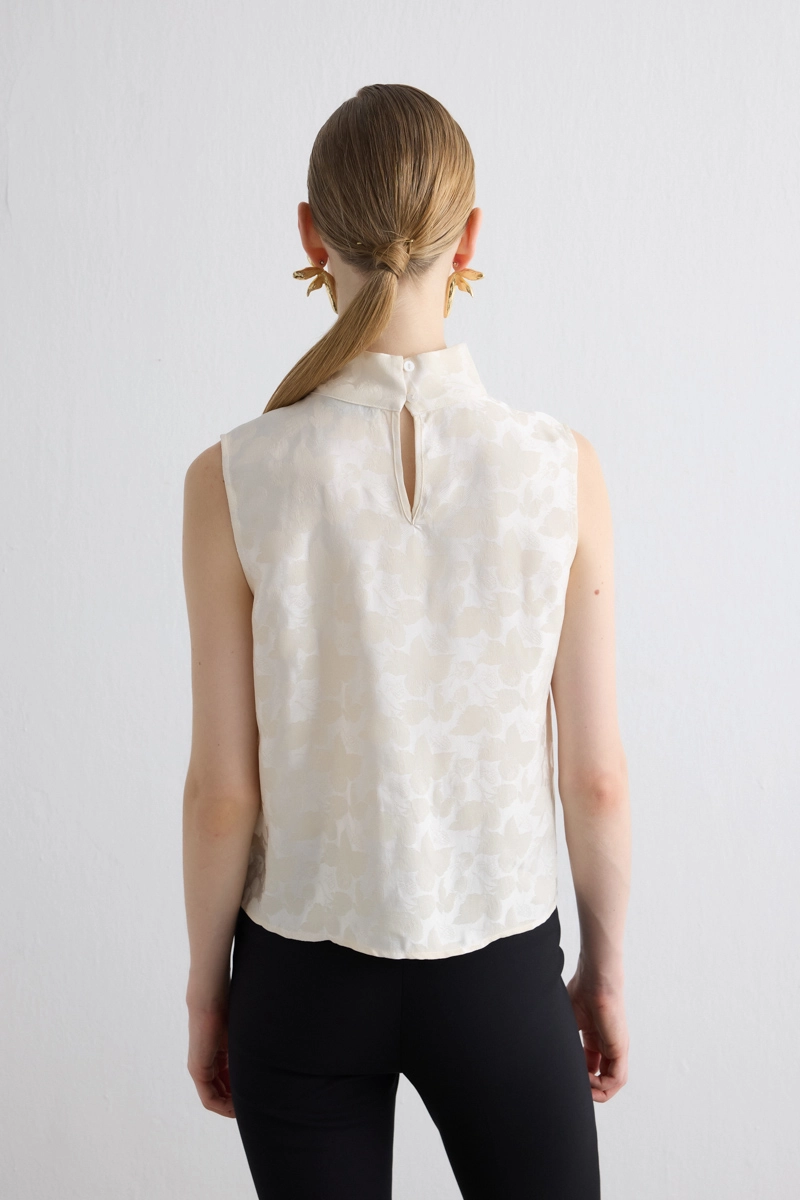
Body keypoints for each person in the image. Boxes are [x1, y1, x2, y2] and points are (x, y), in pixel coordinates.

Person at [181, 83, 630, 1199]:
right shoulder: (558, 469)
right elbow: (597, 777)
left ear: (310, 234)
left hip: (299, 978)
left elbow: (223, 794)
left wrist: (206, 990)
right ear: (468, 238)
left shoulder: (233, 475)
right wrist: (605, 971)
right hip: (500, 970)